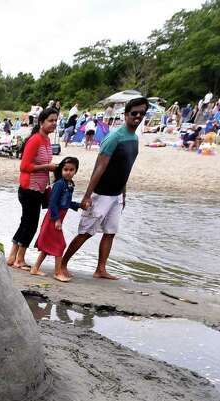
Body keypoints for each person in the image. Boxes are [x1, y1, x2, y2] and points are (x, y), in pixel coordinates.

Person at [59, 96, 149, 281]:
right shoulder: (114, 137)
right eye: (134, 113)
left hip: (117, 195)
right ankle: (63, 264)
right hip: (101, 194)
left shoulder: (134, 138)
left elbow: (126, 168)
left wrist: (123, 194)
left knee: (110, 231)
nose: (138, 116)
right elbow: (99, 168)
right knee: (86, 232)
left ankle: (101, 269)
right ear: (125, 115)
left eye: (142, 113)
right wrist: (87, 196)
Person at [7, 106, 58, 271]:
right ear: (41, 122)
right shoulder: (35, 139)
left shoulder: (47, 140)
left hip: (38, 188)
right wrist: (47, 167)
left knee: (25, 222)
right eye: (50, 120)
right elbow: (25, 166)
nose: (54, 124)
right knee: (31, 224)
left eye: (56, 121)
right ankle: (20, 259)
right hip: (30, 188)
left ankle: (12, 256)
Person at [30, 157, 82, 282]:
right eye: (65, 169)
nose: (68, 172)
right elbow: (52, 202)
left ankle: (35, 268)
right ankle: (58, 272)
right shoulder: (59, 184)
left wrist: (79, 205)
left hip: (57, 218)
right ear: (61, 170)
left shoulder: (69, 185)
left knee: (48, 246)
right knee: (60, 244)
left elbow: (66, 202)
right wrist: (57, 219)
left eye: (71, 170)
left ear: (75, 171)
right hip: (53, 218)